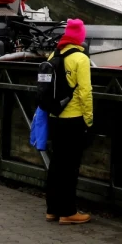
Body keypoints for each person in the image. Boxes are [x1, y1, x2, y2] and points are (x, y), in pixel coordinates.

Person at [45, 18, 93, 224]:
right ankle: (68, 212)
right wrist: (89, 120)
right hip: (73, 119)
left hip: (54, 117)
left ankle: (52, 209)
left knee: (56, 164)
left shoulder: (53, 55)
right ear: (80, 37)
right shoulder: (80, 59)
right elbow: (85, 92)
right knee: (70, 167)